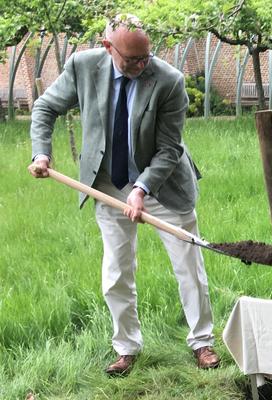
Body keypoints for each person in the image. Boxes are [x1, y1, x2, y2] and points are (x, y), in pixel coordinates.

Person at [28, 14, 220, 376]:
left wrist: (142, 188)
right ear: (107, 47)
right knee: (117, 270)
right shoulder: (83, 65)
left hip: (163, 185)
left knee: (188, 267)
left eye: (145, 57)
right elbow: (45, 107)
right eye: (132, 59)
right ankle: (126, 348)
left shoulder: (168, 80)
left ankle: (202, 342)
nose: (141, 65)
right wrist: (41, 152)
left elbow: (169, 149)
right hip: (108, 182)